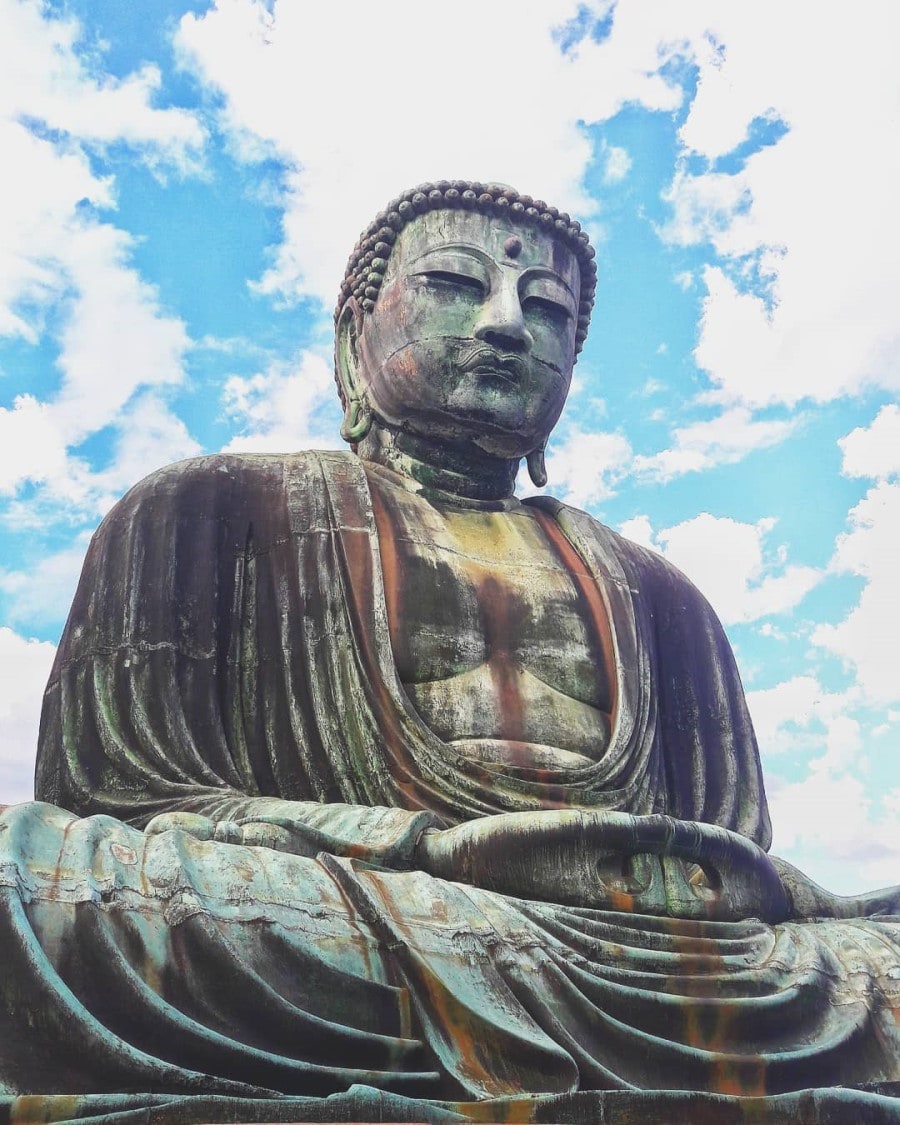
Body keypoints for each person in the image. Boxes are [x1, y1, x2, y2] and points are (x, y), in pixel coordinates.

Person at [2, 181, 899, 1124]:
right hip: (360, 909)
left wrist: (781, 896)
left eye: (546, 310)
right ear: (356, 333)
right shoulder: (205, 508)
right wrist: (427, 846)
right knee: (33, 882)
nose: (508, 325)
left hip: (671, 952)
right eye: (456, 286)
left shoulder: (661, 592)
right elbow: (128, 799)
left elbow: (733, 858)